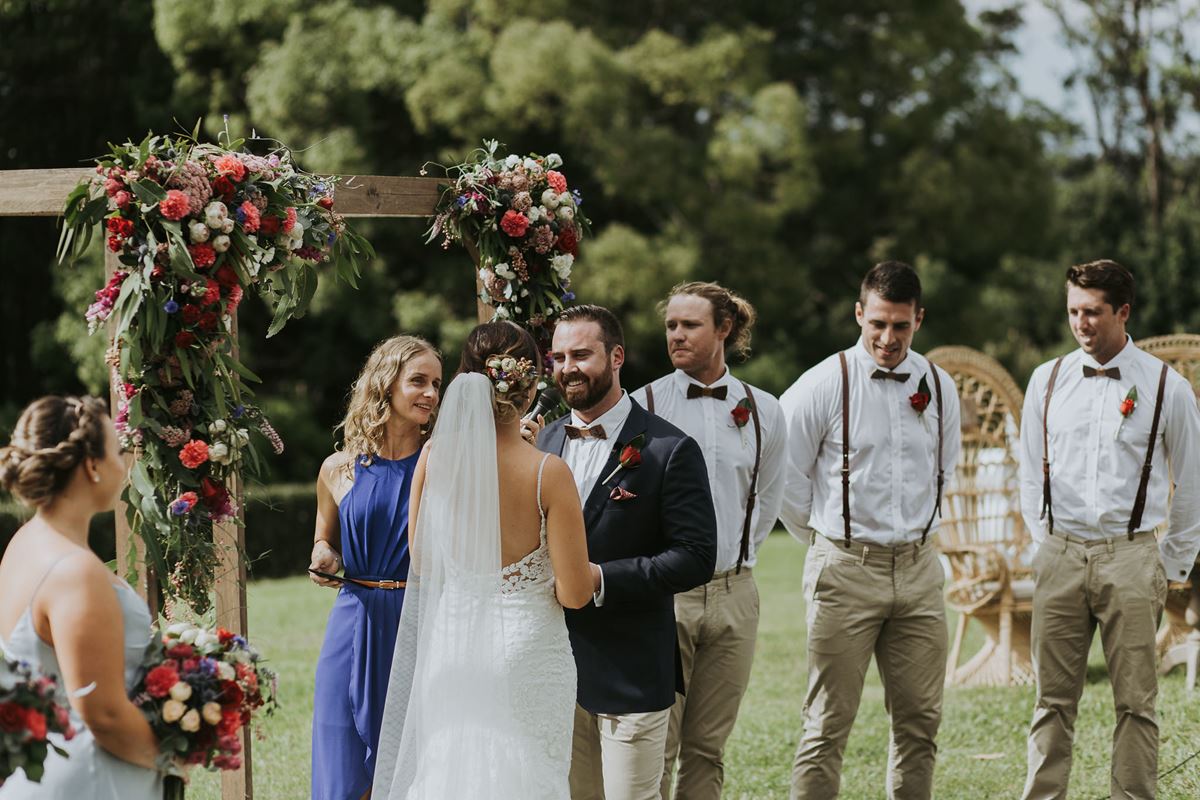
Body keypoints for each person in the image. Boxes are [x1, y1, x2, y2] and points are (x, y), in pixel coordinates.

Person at [372, 320, 599, 799]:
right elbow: (575, 594)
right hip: (526, 650)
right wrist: (598, 570)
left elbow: (425, 564)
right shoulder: (547, 472)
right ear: (530, 384)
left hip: (452, 647)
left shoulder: (434, 457)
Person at [1018, 260, 1200, 800]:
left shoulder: (1167, 387)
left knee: (1137, 704)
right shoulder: (1045, 380)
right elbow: (1030, 472)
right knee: (1051, 702)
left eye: (1093, 312)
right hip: (1060, 554)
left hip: (1132, 556)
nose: (1081, 323)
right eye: (1074, 310)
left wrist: (1168, 564)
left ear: (1123, 311)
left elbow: (1191, 483)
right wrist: (1043, 545)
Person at [780, 261, 961, 800]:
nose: (887, 338)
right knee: (826, 725)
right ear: (859, 313)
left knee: (920, 723)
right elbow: (787, 481)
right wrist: (828, 545)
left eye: (900, 326)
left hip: (920, 571)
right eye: (877, 323)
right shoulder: (821, 384)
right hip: (845, 570)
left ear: (918, 320)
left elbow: (945, 468)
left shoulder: (939, 385)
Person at [538, 303, 719, 800]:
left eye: (581, 354)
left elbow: (697, 554)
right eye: (558, 357)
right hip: (554, 669)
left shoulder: (669, 449)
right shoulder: (545, 441)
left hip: (633, 668)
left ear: (616, 356)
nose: (567, 368)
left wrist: (601, 579)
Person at [631, 282, 787, 800]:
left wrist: (735, 563)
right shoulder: (641, 405)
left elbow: (766, 499)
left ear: (724, 329)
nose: (676, 335)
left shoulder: (764, 410)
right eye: (671, 325)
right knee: (658, 745)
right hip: (664, 594)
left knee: (708, 749)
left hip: (736, 594)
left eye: (689, 325)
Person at [0, 395, 163, 798]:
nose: (124, 462)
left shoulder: (24, 543)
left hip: (37, 771)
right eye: (118, 450)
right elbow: (102, 713)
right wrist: (170, 754)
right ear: (92, 466)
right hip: (89, 779)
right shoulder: (75, 572)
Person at [308, 335, 442, 800]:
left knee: (412, 762)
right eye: (418, 381)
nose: (430, 393)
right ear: (386, 385)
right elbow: (324, 543)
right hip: (353, 621)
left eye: (436, 385)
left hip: (417, 622)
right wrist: (324, 555)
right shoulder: (337, 468)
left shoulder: (444, 465)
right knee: (343, 757)